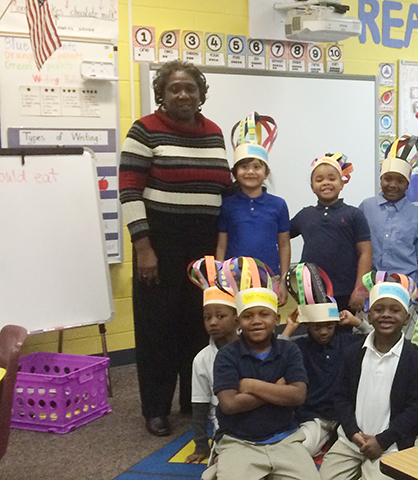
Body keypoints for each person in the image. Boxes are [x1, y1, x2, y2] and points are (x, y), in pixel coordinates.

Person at [119, 59, 232, 436]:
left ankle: (191, 399)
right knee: (158, 327)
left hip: (204, 244)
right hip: (159, 243)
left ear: (201, 94)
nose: (183, 94)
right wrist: (143, 248)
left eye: (190, 88)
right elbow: (129, 191)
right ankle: (156, 408)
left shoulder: (214, 133)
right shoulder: (145, 130)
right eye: (174, 88)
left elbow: (220, 186)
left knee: (199, 324)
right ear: (162, 95)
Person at [207, 257, 319, 480]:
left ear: (277, 319)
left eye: (264, 314)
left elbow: (298, 396)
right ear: (238, 322)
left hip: (285, 438)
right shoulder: (227, 355)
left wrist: (251, 385)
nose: (256, 321)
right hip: (238, 441)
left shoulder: (289, 350)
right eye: (248, 316)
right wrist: (277, 389)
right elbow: (229, 405)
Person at [320, 271, 418, 480]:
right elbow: (341, 397)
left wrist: (382, 440)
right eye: (378, 309)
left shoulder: (415, 358)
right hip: (350, 441)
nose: (386, 315)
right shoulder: (354, 352)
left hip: (390, 445)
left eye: (395, 310)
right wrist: (353, 433)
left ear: (406, 318)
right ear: (369, 315)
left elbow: (414, 408)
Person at [280, 263, 362, 456]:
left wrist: (357, 321)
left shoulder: (347, 342)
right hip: (315, 417)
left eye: (329, 326)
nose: (324, 332)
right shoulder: (299, 346)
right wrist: (289, 328)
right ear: (307, 326)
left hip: (347, 415)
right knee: (299, 450)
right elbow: (276, 356)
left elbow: (378, 339)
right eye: (317, 327)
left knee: (359, 447)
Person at [216, 112, 290, 306]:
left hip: (269, 277)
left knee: (265, 319)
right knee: (236, 319)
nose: (250, 171)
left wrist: (283, 281)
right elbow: (222, 245)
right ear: (235, 173)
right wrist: (219, 276)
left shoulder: (278, 205)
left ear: (266, 173)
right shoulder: (227, 204)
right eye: (244, 167)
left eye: (257, 167)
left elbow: (284, 245)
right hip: (233, 276)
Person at [290, 153, 372, 313]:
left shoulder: (354, 214)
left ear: (342, 183)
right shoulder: (305, 215)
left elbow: (366, 252)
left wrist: (360, 289)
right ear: (312, 187)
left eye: (332, 178)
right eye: (319, 179)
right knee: (312, 327)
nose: (326, 183)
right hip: (310, 290)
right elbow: (281, 236)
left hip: (345, 291)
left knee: (345, 328)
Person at [186, 257, 239, 464]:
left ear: (236, 319)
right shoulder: (202, 359)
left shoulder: (252, 348)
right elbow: (199, 405)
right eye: (207, 318)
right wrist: (201, 444)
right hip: (225, 421)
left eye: (220, 316)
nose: (212, 322)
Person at [359, 135, 418, 286]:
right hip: (371, 284)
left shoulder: (416, 216)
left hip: (406, 285)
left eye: (400, 181)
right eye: (388, 179)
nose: (393, 185)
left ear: (408, 184)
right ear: (380, 179)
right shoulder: (366, 207)